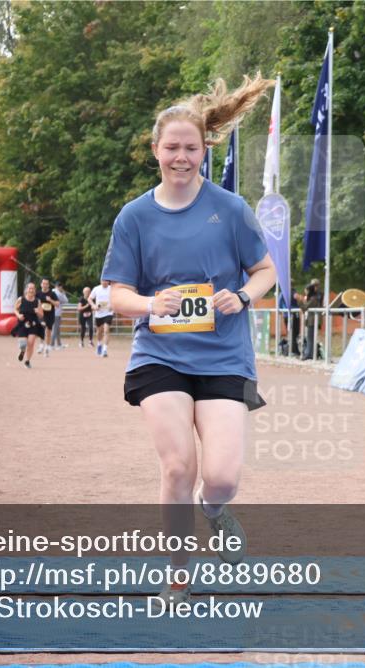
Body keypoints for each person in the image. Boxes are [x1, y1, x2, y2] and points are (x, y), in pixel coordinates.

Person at [103, 74, 276, 603]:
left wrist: (242, 297)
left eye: (191, 148)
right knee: (178, 464)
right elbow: (117, 294)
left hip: (224, 354)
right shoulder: (134, 217)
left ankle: (215, 511)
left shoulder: (231, 209)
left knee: (221, 477)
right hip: (161, 353)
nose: (181, 157)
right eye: (171, 147)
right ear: (156, 150)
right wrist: (152, 304)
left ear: (205, 150)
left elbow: (265, 271)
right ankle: (177, 574)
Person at [12, 282, 46, 369]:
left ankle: (27, 361)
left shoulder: (37, 301)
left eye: (33, 288)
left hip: (33, 324)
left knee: (31, 343)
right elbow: (15, 309)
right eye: (29, 288)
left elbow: (41, 315)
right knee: (23, 343)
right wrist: (18, 315)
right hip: (22, 324)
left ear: (35, 290)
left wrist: (37, 311)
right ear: (26, 290)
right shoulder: (21, 299)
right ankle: (22, 350)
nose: (31, 290)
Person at [89, 279, 113, 357]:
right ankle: (99, 344)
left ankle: (105, 350)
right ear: (100, 281)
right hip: (99, 313)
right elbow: (89, 299)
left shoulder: (112, 289)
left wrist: (112, 305)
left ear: (108, 282)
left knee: (106, 330)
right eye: (103, 281)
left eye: (106, 281)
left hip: (108, 313)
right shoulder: (96, 288)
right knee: (99, 331)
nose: (104, 282)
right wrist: (93, 306)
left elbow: (116, 299)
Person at [35, 278, 59, 356]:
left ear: (48, 285)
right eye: (43, 283)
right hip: (41, 315)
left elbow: (57, 304)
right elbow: (33, 302)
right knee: (42, 327)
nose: (45, 285)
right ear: (41, 284)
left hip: (50, 315)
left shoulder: (52, 294)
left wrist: (50, 300)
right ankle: (41, 345)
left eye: (46, 284)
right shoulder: (37, 294)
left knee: (48, 332)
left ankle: (47, 348)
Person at [301, 278, 322, 360]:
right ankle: (310, 353)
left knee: (310, 338)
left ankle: (309, 354)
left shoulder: (315, 297)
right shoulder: (313, 297)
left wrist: (300, 301)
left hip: (313, 320)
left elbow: (305, 307)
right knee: (310, 337)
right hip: (311, 319)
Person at [51, 280, 69, 349]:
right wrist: (63, 293)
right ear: (60, 287)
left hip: (53, 313)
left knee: (57, 329)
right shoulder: (59, 293)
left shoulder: (52, 291)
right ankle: (51, 344)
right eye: (61, 287)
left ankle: (59, 344)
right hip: (57, 313)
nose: (61, 288)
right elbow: (66, 301)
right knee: (55, 329)